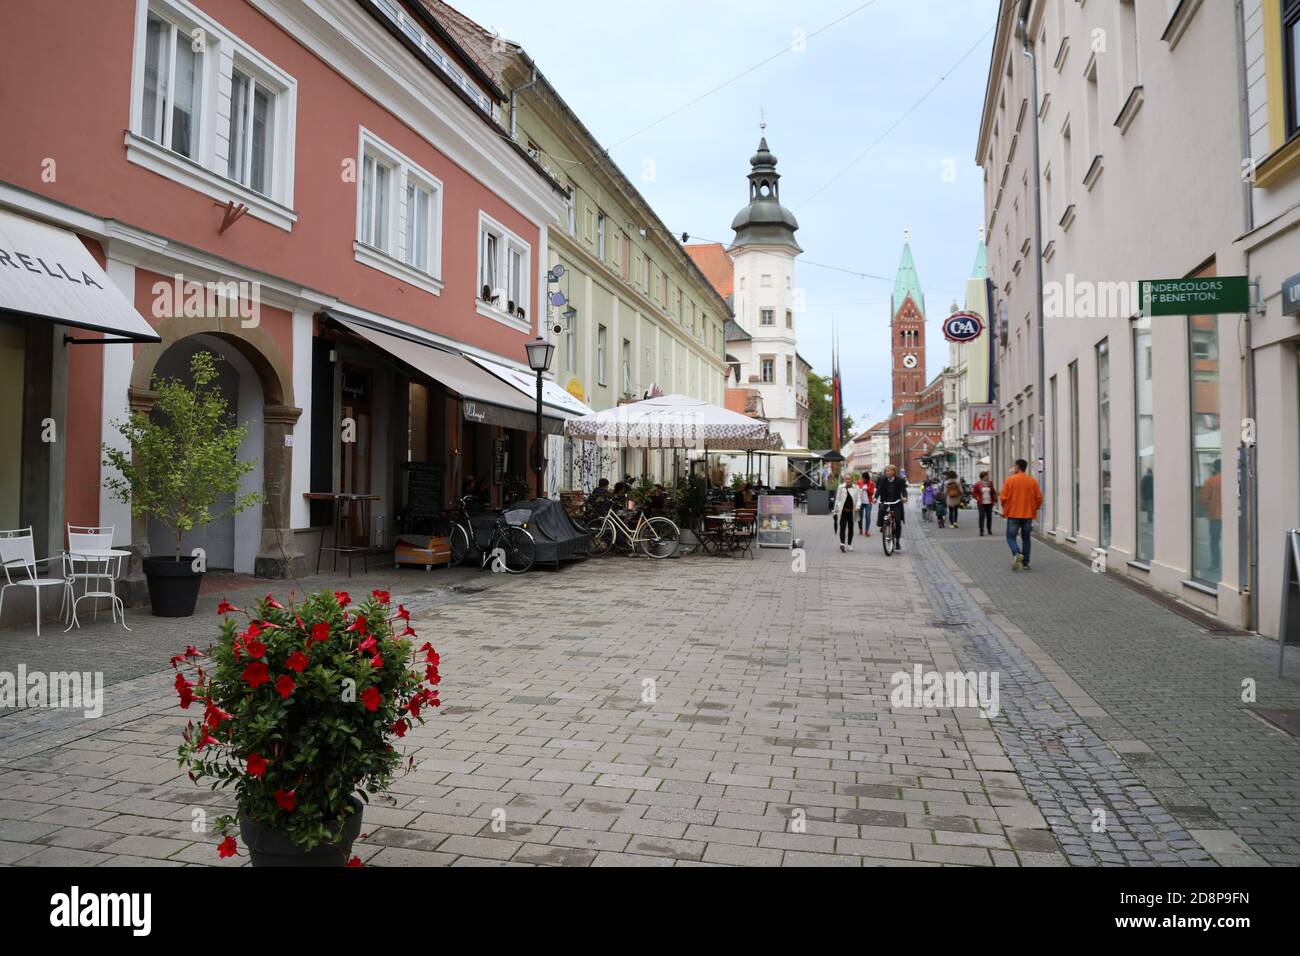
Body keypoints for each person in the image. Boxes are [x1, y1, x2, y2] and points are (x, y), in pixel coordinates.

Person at [999, 458, 1043, 570]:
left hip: (1014, 513)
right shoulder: (1032, 481)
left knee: (1010, 537)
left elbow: (1003, 497)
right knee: (1026, 538)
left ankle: (1017, 553)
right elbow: (1039, 498)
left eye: (1015, 466)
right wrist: (1034, 508)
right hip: (1028, 514)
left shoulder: (1010, 480)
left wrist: (1005, 509)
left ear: (1018, 467)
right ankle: (1026, 562)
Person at [875, 464, 907, 551]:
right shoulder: (883, 480)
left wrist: (904, 497)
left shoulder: (900, 480)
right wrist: (875, 498)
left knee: (897, 520)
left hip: (896, 502)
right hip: (885, 501)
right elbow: (879, 490)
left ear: (893, 472)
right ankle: (884, 526)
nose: (886, 472)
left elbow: (903, 490)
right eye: (886, 471)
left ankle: (897, 541)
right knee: (882, 514)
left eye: (888, 471)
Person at [1200, 459, 1222, 571]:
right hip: (1230, 517)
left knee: (1215, 540)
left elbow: (1204, 499)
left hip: (1215, 516)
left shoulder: (1210, 481)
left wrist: (1208, 511)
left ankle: (1215, 564)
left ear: (1214, 467)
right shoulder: (1231, 480)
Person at [832, 473, 862, 552]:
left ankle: (849, 544)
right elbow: (838, 499)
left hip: (852, 512)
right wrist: (835, 510)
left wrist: (858, 506)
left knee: (851, 528)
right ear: (844, 480)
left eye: (849, 479)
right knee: (842, 527)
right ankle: (842, 544)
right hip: (843, 511)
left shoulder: (856, 488)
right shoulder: (841, 487)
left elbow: (859, 499)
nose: (848, 480)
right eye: (846, 479)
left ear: (852, 479)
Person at [972, 470, 998, 536]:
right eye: (987, 476)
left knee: (989, 517)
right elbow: (974, 493)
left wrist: (995, 500)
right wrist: (978, 498)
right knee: (981, 516)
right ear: (983, 477)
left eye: (988, 475)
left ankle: (989, 529)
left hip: (989, 503)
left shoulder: (990, 483)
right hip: (981, 503)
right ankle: (981, 531)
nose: (988, 477)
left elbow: (993, 492)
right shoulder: (978, 484)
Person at [857, 470, 875, 537]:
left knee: (868, 516)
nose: (864, 480)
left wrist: (867, 489)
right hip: (860, 502)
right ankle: (861, 529)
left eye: (865, 478)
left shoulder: (871, 483)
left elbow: (872, 492)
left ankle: (867, 531)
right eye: (863, 478)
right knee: (860, 517)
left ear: (867, 478)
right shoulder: (859, 482)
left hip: (868, 502)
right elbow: (856, 491)